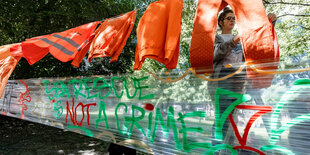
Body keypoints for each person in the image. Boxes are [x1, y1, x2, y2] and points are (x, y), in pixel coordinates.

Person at [209, 7, 278, 149]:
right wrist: (234, 39)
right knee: (223, 115)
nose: (232, 21)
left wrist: (270, 24)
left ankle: (228, 149)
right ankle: (217, 149)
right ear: (221, 22)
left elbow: (258, 43)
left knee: (234, 116)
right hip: (222, 79)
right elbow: (215, 54)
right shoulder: (217, 37)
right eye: (229, 18)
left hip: (240, 80)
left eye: (234, 18)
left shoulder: (242, 38)